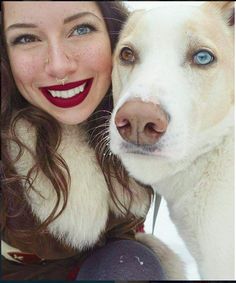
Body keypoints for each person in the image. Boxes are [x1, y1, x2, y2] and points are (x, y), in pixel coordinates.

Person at [1, 1, 166, 280]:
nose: (59, 66)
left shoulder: (146, 109)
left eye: (80, 29)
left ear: (113, 32)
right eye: (26, 38)